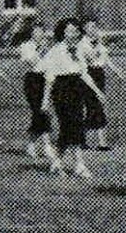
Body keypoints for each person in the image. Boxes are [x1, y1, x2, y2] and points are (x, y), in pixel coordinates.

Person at [41, 18, 94, 179]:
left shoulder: (79, 49)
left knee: (74, 125)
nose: (73, 33)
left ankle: (58, 161)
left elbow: (83, 73)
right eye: (69, 30)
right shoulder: (56, 50)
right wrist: (45, 100)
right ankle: (79, 164)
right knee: (69, 124)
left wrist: (97, 91)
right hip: (61, 89)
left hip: (76, 88)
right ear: (63, 32)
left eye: (75, 30)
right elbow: (50, 77)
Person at [17, 22, 59, 167]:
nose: (39, 34)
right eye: (36, 31)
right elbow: (31, 62)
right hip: (32, 80)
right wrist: (41, 49)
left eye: (41, 31)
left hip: (46, 79)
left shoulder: (49, 47)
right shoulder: (26, 46)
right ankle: (47, 145)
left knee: (42, 112)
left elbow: (52, 64)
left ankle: (31, 144)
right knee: (39, 111)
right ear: (31, 33)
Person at [79, 19, 121, 151]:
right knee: (95, 107)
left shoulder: (99, 42)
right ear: (84, 29)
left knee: (94, 108)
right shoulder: (82, 44)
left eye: (94, 27)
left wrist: (117, 71)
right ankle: (101, 142)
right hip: (87, 76)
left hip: (99, 75)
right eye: (90, 27)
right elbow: (85, 64)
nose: (93, 29)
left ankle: (83, 139)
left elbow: (105, 59)